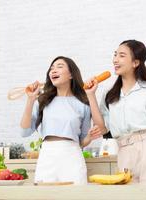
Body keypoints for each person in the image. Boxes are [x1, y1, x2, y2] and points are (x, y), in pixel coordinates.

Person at [84, 40, 146, 184]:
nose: (115, 60)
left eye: (122, 55)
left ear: (135, 62)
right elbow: (102, 129)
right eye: (115, 55)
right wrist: (90, 95)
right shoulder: (110, 94)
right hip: (124, 153)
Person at [20, 56, 99, 184]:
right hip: (47, 155)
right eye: (51, 68)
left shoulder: (83, 104)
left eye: (59, 66)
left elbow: (81, 141)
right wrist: (30, 100)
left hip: (72, 156)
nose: (53, 70)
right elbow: (24, 132)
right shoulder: (42, 101)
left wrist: (89, 137)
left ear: (71, 75)